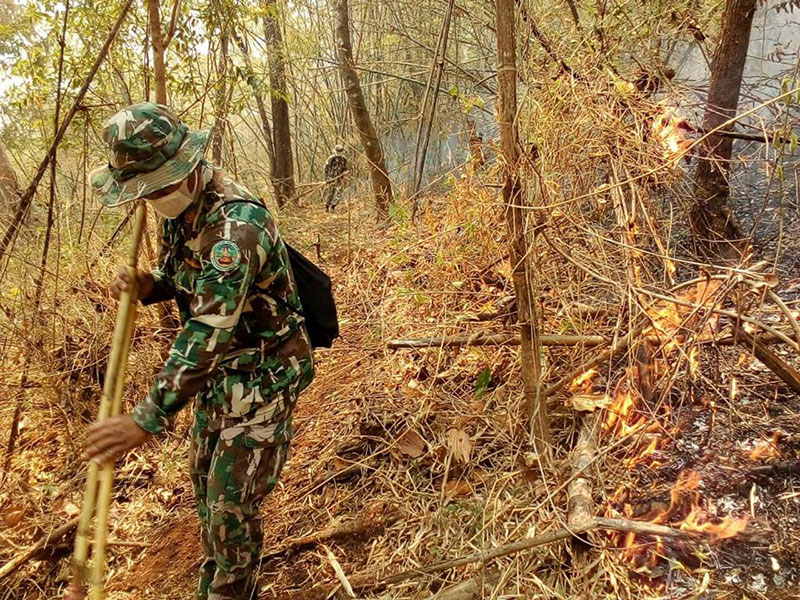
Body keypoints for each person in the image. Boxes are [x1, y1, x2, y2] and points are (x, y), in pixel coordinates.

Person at [83, 102, 314, 600]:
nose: (154, 198)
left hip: (261, 375)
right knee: (206, 496)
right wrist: (152, 285)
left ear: (187, 167)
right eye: (146, 190)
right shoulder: (180, 210)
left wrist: (145, 417)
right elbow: (184, 276)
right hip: (216, 380)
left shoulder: (235, 226)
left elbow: (208, 328)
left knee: (231, 506)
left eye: (160, 186)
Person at [322, 144, 348, 212]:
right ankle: (327, 207)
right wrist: (326, 178)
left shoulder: (344, 159)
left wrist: (344, 176)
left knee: (339, 193)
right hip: (331, 179)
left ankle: (333, 207)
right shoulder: (331, 158)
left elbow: (345, 168)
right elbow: (325, 168)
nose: (339, 153)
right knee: (330, 193)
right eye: (338, 151)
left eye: (341, 151)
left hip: (339, 179)